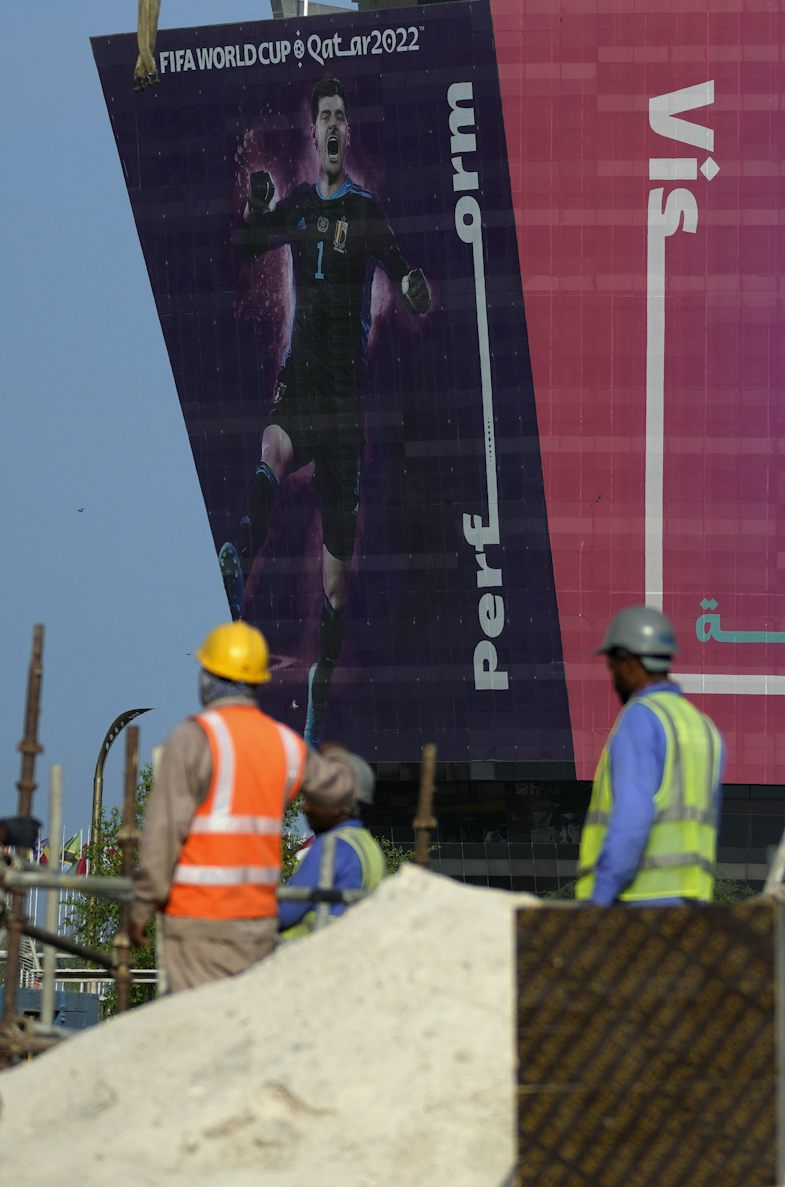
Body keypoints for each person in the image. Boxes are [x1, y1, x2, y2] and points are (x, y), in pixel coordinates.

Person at [219, 76, 432, 746]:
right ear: (315, 134)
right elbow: (252, 243)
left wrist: (415, 289)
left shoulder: (365, 212)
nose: (334, 127)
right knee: (271, 452)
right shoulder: (303, 204)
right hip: (302, 377)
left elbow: (406, 278)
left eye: (342, 116)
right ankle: (233, 567)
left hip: (346, 403)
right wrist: (258, 209)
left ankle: (318, 688)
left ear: (348, 130)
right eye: (325, 118)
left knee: (336, 584)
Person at [130, 622, 363, 993]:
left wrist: (141, 907)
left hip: (198, 926)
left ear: (208, 678)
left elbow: (162, 835)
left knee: (200, 1030)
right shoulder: (285, 745)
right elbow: (339, 790)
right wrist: (340, 759)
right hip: (256, 928)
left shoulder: (193, 740)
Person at [577, 607, 726, 906]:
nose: (614, 677)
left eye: (613, 667)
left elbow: (633, 816)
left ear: (629, 662)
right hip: (693, 905)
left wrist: (598, 898)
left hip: (637, 905)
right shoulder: (703, 727)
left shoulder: (640, 719)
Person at [278, 750, 383, 939]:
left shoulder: (330, 847)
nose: (305, 807)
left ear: (338, 805)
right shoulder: (368, 845)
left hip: (311, 954)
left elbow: (285, 915)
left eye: (314, 799)